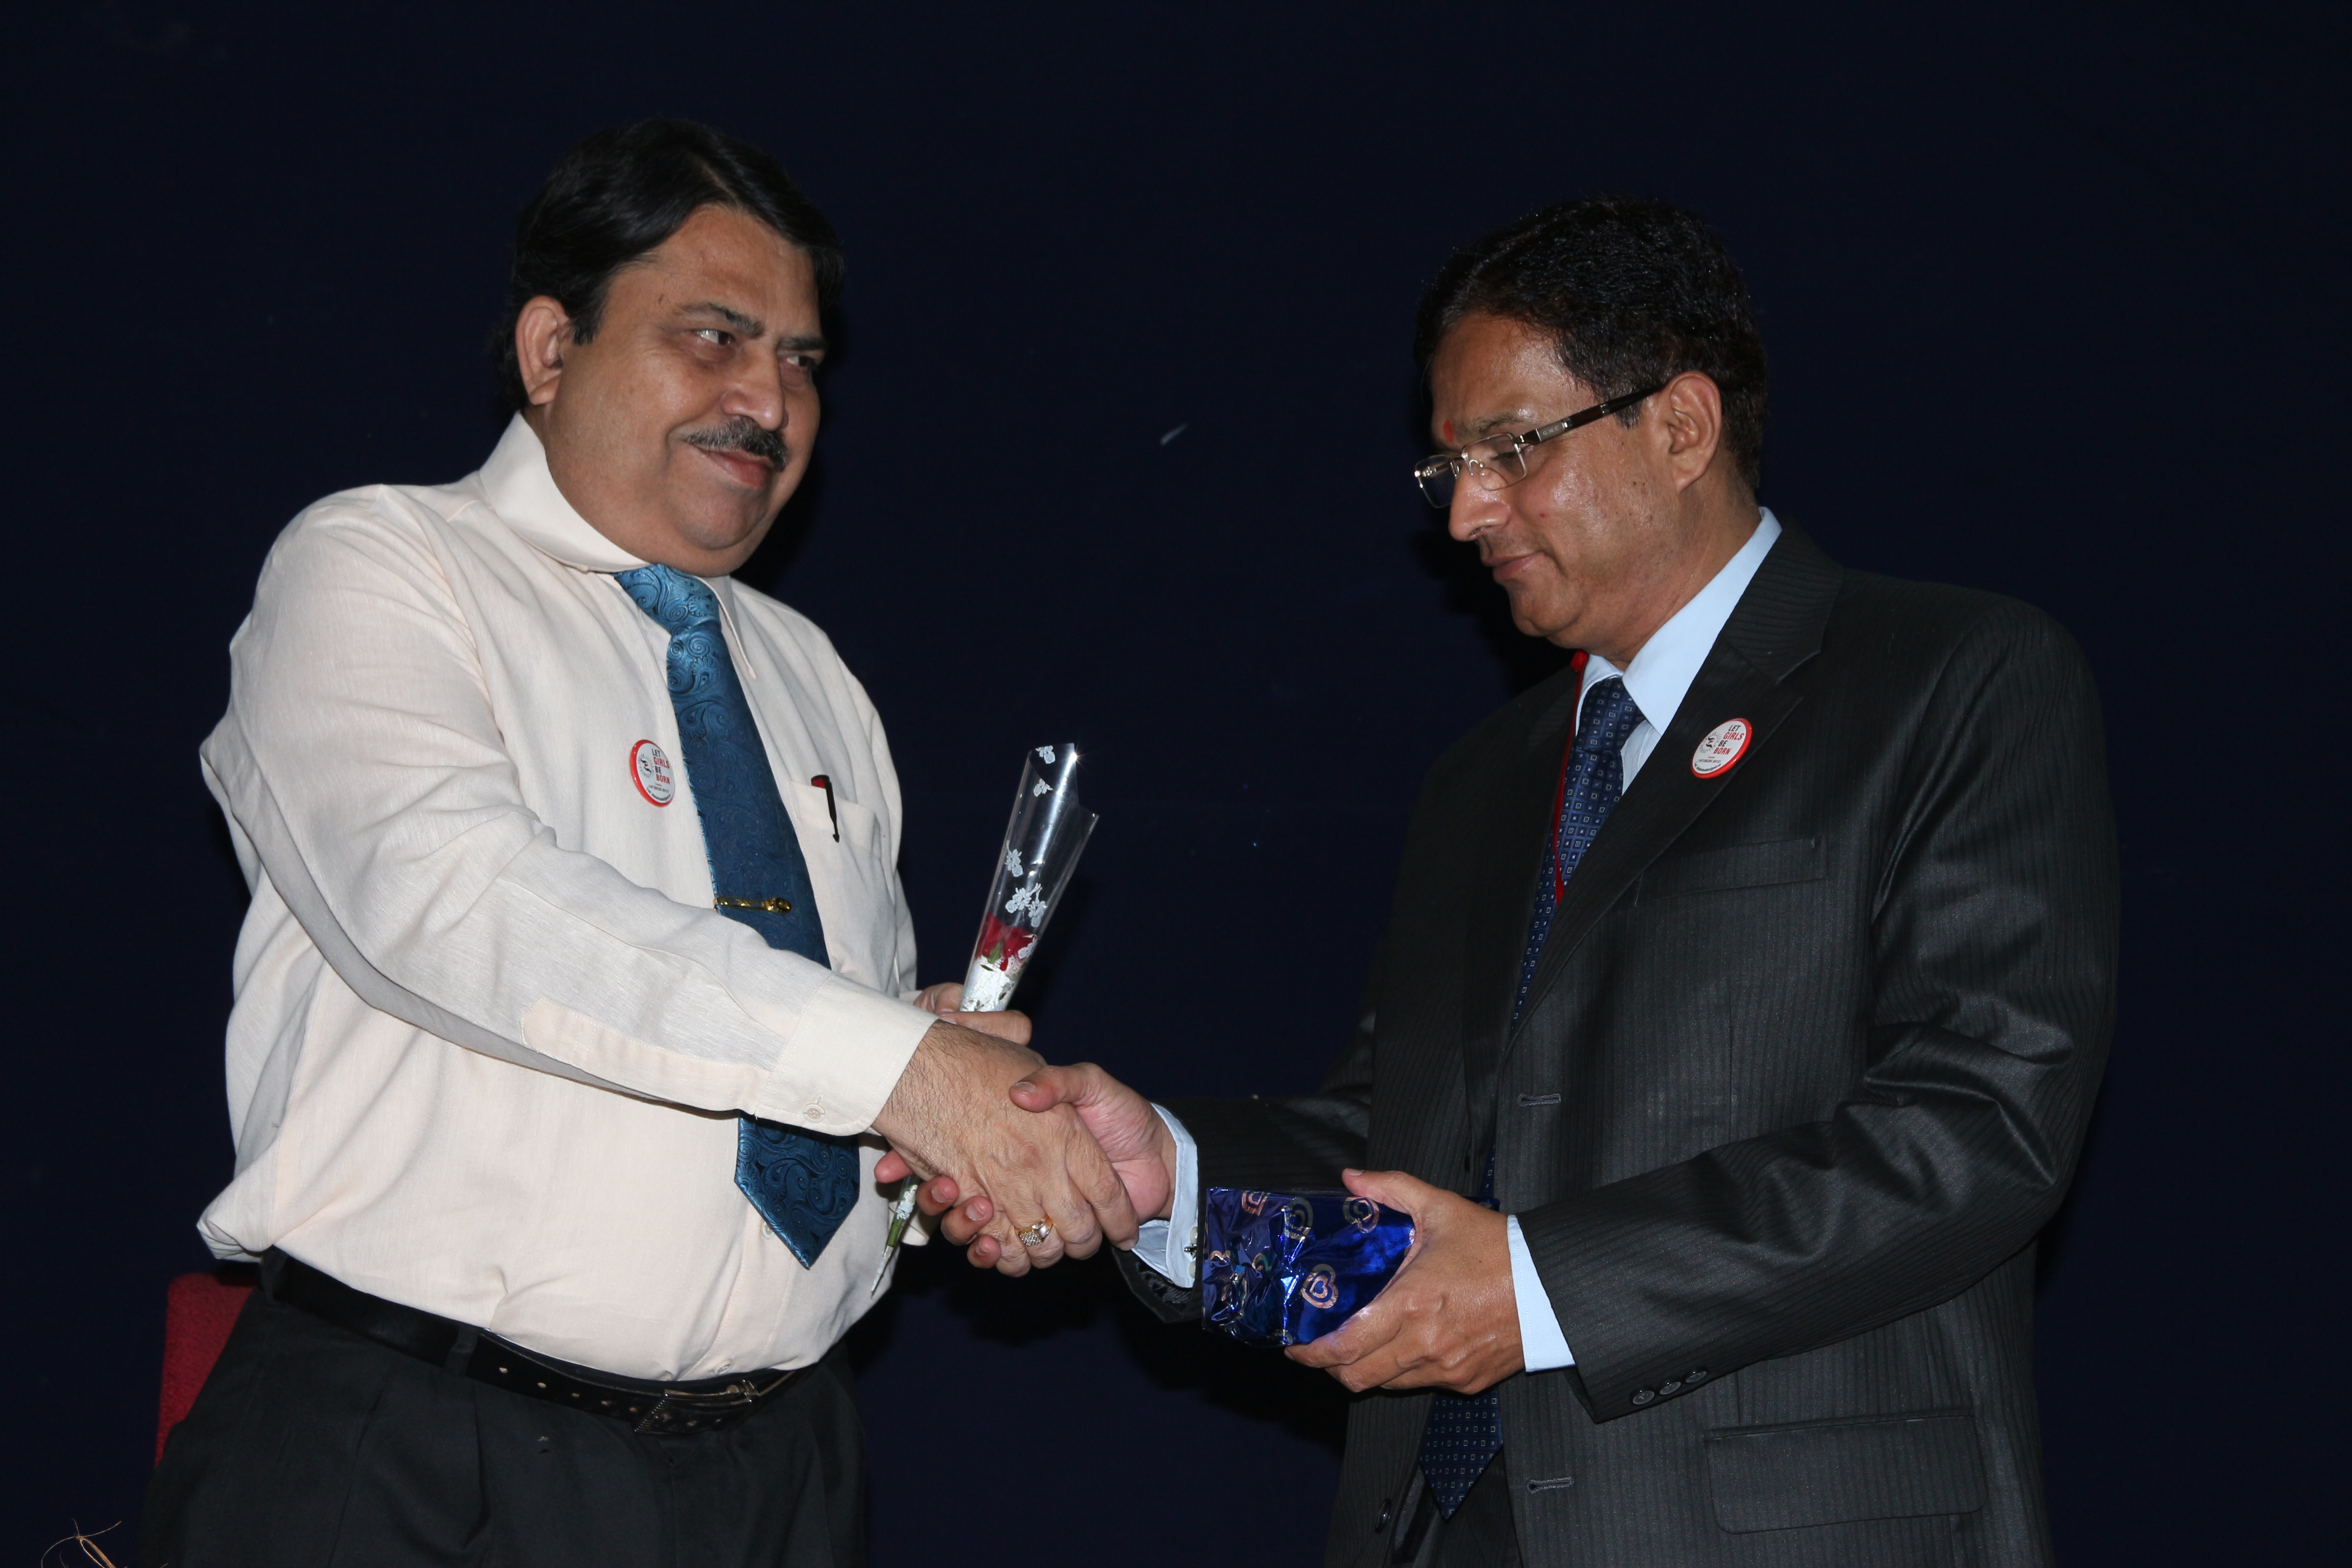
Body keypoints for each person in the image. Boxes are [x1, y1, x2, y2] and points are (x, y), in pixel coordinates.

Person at [916, 197, 2119, 1566]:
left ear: (1681, 427)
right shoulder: (1484, 780)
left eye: (1511, 450)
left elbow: (1982, 1127)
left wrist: (1537, 1291)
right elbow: (1399, 1146)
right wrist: (1166, 1181)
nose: (1467, 512)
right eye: (1450, 467)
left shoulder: (1952, 681)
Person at [145, 119, 1134, 1568]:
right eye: (714, 338)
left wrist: (940, 1131)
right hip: (416, 1454)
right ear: (552, 349)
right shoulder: (379, 566)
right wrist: (903, 1071)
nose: (770, 402)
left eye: (802, 361)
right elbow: (463, 906)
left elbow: (797, 1050)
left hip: (783, 1472)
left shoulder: (812, 676)